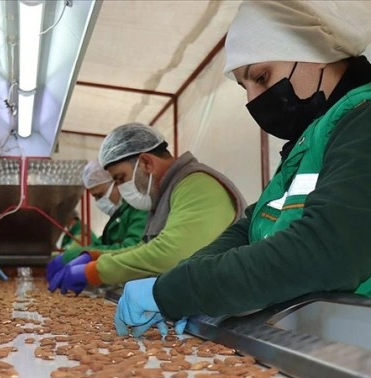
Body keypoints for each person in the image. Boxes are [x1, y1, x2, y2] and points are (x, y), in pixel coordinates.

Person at [115, 0, 371, 338]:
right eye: (244, 87)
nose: (253, 100)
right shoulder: (306, 143)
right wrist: (178, 279)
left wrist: (175, 291)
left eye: (261, 77)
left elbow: (326, 249)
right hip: (313, 338)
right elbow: (247, 230)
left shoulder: (362, 121)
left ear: (316, 49)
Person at [49, 123, 246, 295]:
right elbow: (147, 247)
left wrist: (94, 271)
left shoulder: (197, 184)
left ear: (145, 163)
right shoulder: (166, 194)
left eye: (120, 178)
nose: (121, 188)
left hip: (225, 308)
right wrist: (94, 257)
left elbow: (170, 254)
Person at [46, 160, 147, 283]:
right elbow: (102, 244)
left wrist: (85, 258)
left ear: (117, 182)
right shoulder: (119, 214)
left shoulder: (140, 208)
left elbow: (132, 249)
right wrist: (74, 255)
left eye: (100, 195)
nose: (99, 202)